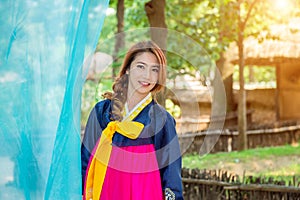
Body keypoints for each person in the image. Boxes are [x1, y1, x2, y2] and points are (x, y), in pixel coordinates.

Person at [81, 40, 183, 200]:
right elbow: (85, 161)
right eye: (140, 66)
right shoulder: (102, 112)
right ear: (127, 69)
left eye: (154, 69)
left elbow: (171, 174)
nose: (147, 75)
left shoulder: (162, 120)